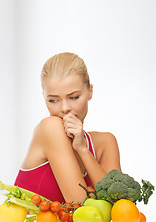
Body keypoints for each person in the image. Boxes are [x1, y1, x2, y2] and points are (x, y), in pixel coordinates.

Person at [14, 52, 121, 204]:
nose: (64, 108)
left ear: (90, 91)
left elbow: (119, 205)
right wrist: (91, 191)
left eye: (74, 97)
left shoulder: (105, 142)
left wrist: (83, 149)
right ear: (44, 97)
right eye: (53, 100)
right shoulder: (49, 127)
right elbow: (80, 205)